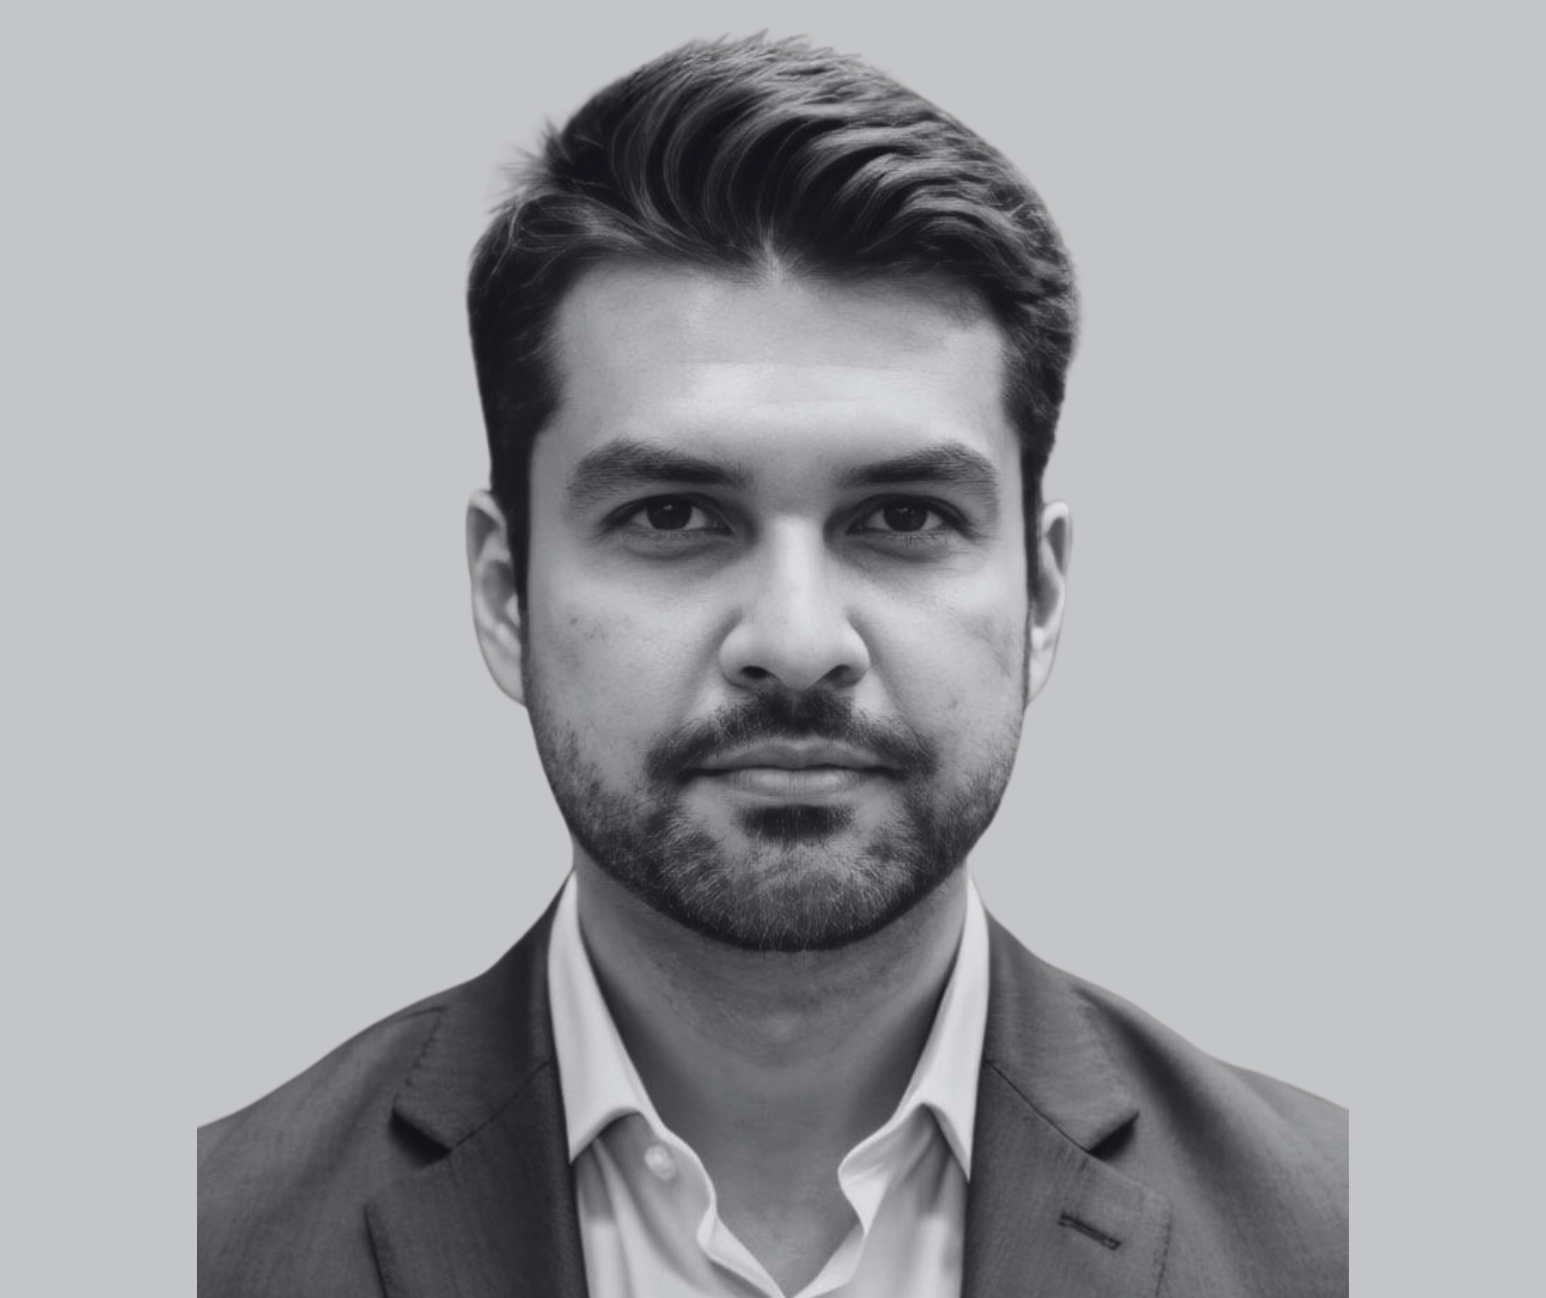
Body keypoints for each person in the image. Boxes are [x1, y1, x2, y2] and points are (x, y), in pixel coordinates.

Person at [198, 34, 1348, 1298]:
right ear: (504, 590)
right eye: (672, 515)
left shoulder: (1343, 1239)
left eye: (902, 516)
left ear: (1041, 594)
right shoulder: (199, 1243)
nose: (797, 644)